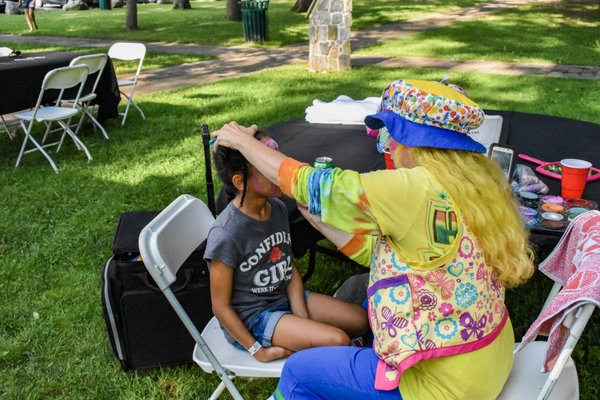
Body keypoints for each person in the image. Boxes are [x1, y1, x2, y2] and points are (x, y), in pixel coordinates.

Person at [213, 79, 535, 399]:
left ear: (413, 139)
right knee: (365, 309)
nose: (389, 146)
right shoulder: (471, 183)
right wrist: (316, 218)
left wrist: (243, 142)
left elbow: (314, 183)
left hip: (438, 385)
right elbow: (388, 254)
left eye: (390, 135)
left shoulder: (413, 186)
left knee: (299, 372)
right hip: (487, 361)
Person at [204, 131, 369, 363]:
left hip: (284, 298)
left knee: (361, 320)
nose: (277, 171)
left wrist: (303, 319)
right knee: (338, 340)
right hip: (255, 318)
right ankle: (341, 359)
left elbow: (287, 268)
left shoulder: (278, 208)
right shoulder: (226, 234)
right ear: (239, 182)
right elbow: (220, 308)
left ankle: (336, 351)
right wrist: (258, 352)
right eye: (265, 167)